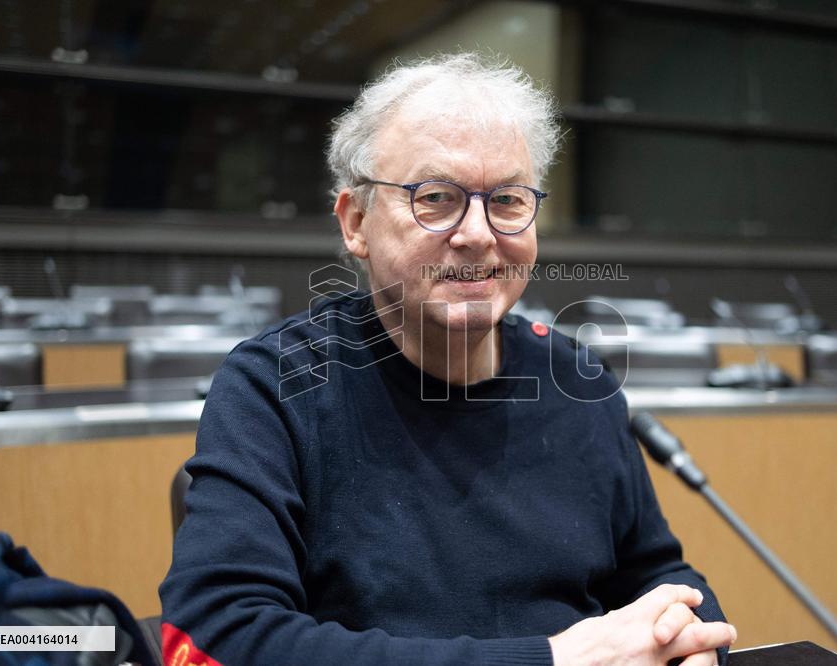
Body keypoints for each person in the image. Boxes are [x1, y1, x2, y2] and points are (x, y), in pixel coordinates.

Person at [160, 53, 736, 666]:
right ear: (356, 222)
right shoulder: (276, 385)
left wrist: (691, 641)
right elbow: (214, 635)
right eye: (435, 197)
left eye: (508, 199)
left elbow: (661, 576)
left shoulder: (577, 378)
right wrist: (549, 661)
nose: (479, 234)